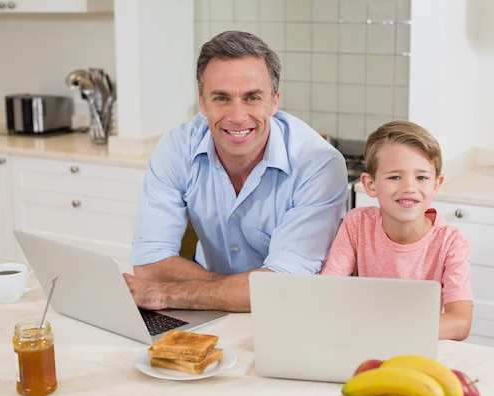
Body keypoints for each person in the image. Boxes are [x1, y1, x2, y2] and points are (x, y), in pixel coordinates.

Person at [124, 31, 348, 313]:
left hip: (289, 316)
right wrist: (238, 292)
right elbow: (148, 266)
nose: (237, 116)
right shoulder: (177, 148)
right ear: (202, 102)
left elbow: (284, 289)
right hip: (203, 313)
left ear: (275, 101)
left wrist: (172, 294)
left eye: (252, 97)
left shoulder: (319, 165)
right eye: (221, 98)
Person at [320, 120, 473, 341]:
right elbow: (327, 294)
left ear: (436, 185)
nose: (409, 187)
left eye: (421, 177)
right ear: (370, 185)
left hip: (417, 349)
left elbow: (460, 323)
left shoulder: (452, 243)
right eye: (394, 177)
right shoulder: (357, 225)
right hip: (363, 343)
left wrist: (384, 330)